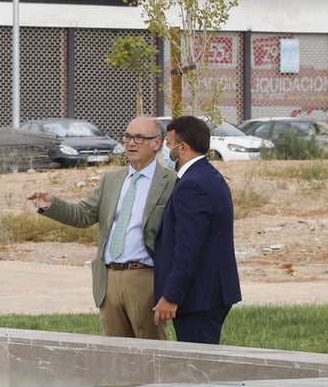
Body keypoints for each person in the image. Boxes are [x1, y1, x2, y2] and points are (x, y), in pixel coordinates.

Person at [27, 116, 176, 339]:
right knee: (115, 354)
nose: (130, 143)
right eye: (127, 137)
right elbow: (84, 214)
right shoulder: (112, 180)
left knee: (151, 354)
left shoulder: (171, 182)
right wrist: (51, 205)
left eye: (139, 138)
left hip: (145, 278)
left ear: (157, 143)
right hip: (108, 278)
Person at [153, 115, 242, 344]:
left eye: (168, 144)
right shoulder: (207, 175)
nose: (165, 150)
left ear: (182, 148)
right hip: (210, 292)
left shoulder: (192, 185)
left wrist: (171, 296)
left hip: (199, 297)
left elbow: (189, 247)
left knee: (197, 369)